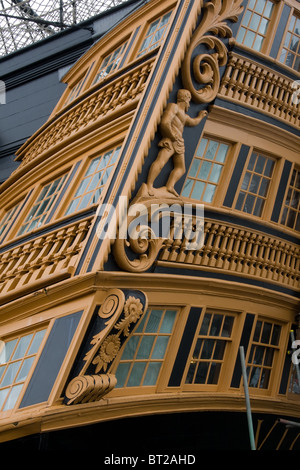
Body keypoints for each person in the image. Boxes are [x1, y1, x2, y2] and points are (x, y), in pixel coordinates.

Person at [146, 89, 207, 197]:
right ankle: (149, 185)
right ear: (185, 99)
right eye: (189, 100)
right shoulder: (174, 107)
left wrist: (200, 117)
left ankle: (170, 186)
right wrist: (171, 135)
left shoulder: (184, 116)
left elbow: (193, 122)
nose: (189, 104)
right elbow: (165, 122)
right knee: (160, 162)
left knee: (181, 168)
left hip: (178, 142)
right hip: (171, 139)